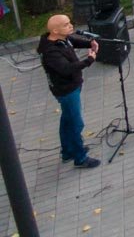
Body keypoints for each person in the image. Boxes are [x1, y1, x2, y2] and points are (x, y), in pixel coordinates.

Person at [37, 14, 101, 169]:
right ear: (55, 30)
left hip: (72, 85)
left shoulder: (62, 39)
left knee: (67, 119)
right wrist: (89, 60)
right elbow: (66, 69)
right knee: (75, 123)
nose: (71, 26)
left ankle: (68, 151)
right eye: (66, 24)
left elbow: (73, 42)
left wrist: (89, 43)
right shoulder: (51, 52)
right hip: (66, 90)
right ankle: (80, 158)